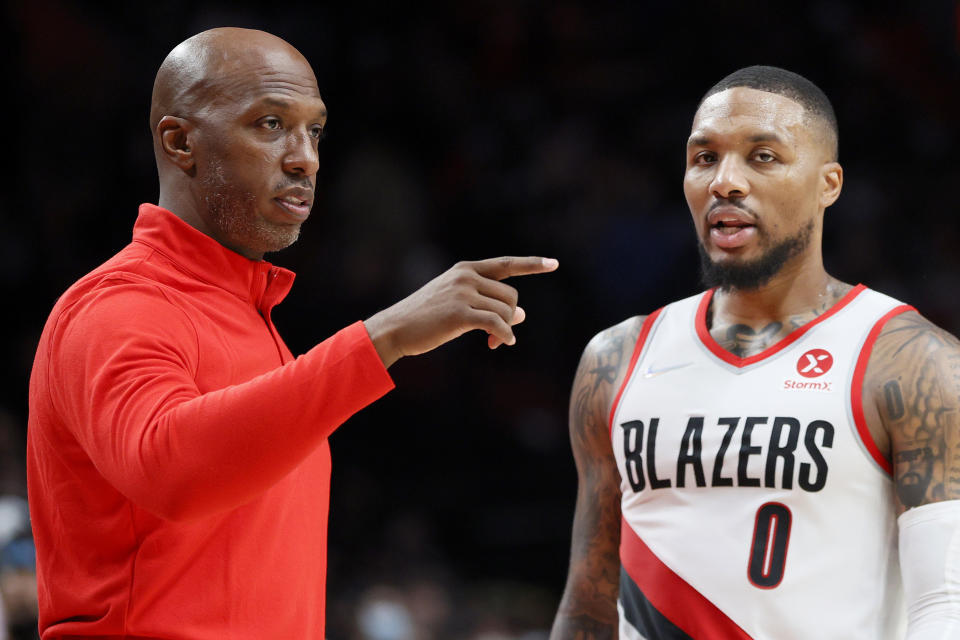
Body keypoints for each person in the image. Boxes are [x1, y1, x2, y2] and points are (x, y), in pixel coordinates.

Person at [27, 27, 557, 639]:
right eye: (271, 124)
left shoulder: (251, 318)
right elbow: (170, 468)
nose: (305, 157)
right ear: (180, 143)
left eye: (315, 130)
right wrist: (384, 337)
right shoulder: (117, 305)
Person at [550, 65, 960, 639]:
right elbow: (587, 607)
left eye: (762, 156)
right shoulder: (615, 358)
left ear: (829, 184)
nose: (726, 181)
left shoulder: (911, 362)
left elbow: (945, 608)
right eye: (704, 157)